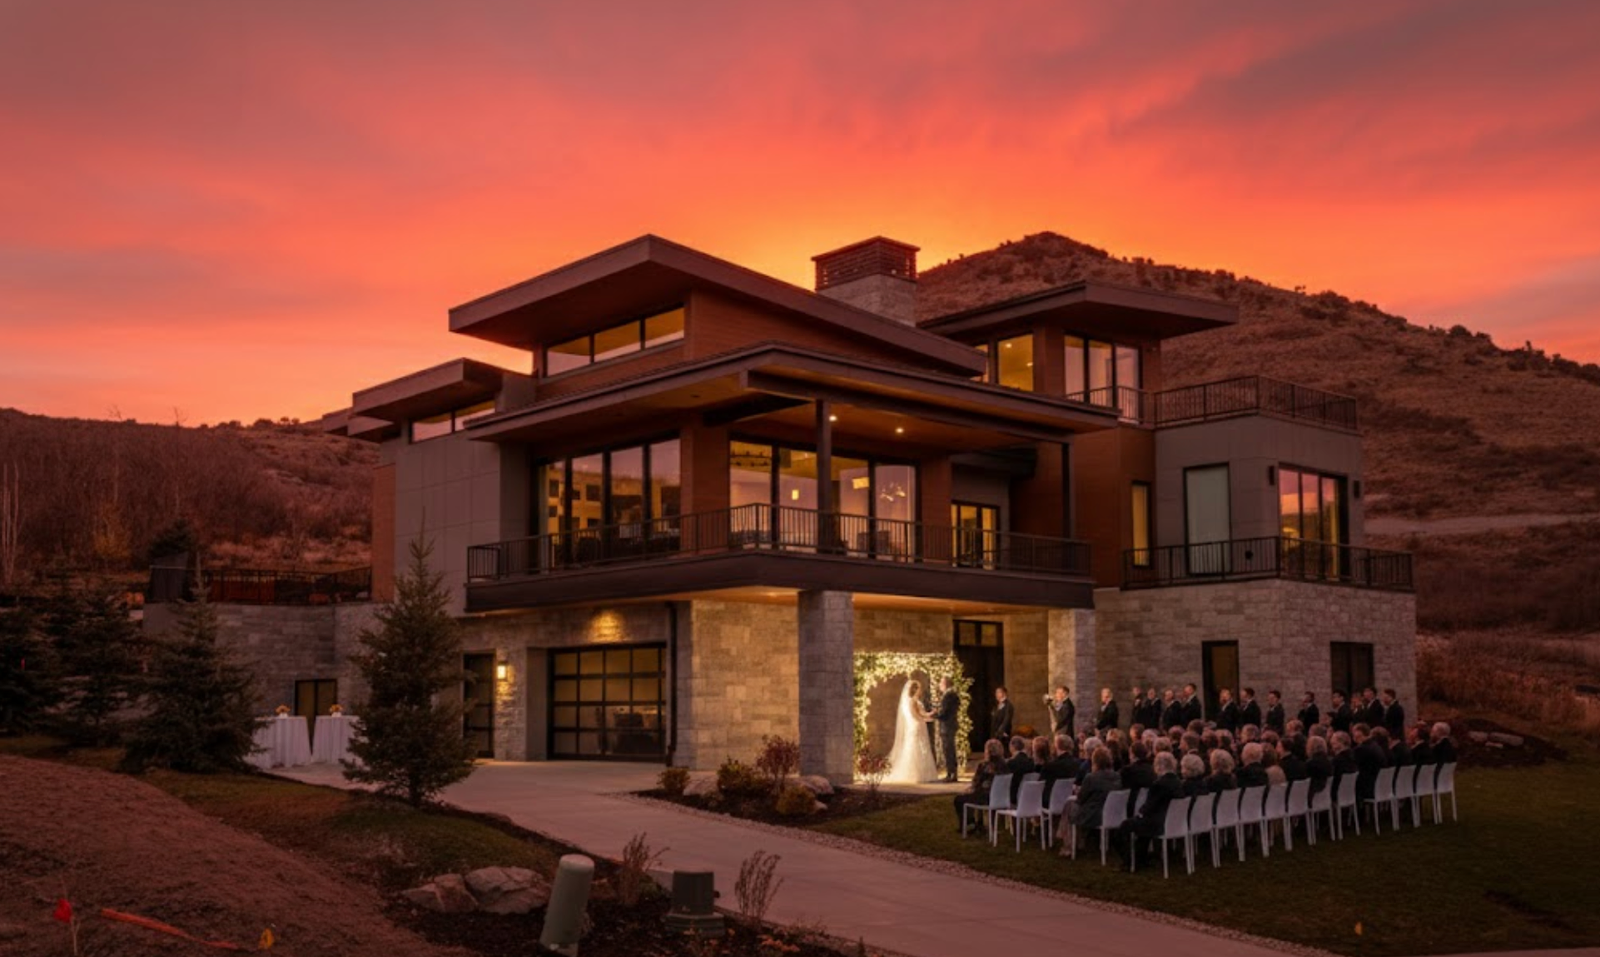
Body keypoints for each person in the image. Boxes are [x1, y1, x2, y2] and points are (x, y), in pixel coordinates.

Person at [1115, 752, 1184, 869]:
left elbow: (1149, 807)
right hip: (1172, 821)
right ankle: (1140, 859)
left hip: (1158, 822)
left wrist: (1140, 813)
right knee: (1139, 826)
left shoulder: (1159, 784)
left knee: (1124, 826)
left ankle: (1129, 860)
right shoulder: (1178, 782)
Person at [1058, 746, 1121, 854]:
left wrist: (1078, 791)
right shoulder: (1117, 776)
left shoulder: (1091, 778)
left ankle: (1068, 844)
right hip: (1113, 813)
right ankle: (1075, 841)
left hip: (1094, 815)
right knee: (1070, 804)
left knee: (1069, 805)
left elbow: (1081, 800)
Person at [884, 679, 940, 784]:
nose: (921, 691)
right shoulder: (912, 701)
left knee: (920, 748)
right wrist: (931, 714)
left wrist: (927, 718)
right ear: (914, 690)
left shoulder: (914, 701)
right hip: (917, 727)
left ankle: (923, 774)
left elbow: (920, 714)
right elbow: (916, 715)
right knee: (917, 748)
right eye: (919, 688)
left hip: (918, 725)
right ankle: (917, 774)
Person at [953, 739, 1006, 830]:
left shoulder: (984, 766)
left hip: (986, 797)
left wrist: (970, 790)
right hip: (1001, 797)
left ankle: (969, 822)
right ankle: (977, 822)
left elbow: (977, 783)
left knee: (959, 799)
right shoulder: (1005, 765)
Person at [932, 677, 961, 783]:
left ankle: (951, 774)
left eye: (941, 682)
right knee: (949, 750)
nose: (939, 685)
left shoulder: (949, 695)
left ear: (945, 684)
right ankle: (951, 773)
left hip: (948, 726)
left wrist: (935, 715)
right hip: (949, 726)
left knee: (948, 750)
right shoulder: (952, 695)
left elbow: (945, 713)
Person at [1040, 733, 1079, 801]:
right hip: (1069, 801)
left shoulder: (1050, 766)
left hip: (1051, 801)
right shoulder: (1077, 764)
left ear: (1057, 746)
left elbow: (1040, 786)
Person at [1005, 735, 1036, 803]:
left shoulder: (1011, 763)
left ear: (1011, 747)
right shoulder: (1031, 762)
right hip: (1029, 796)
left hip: (1013, 797)